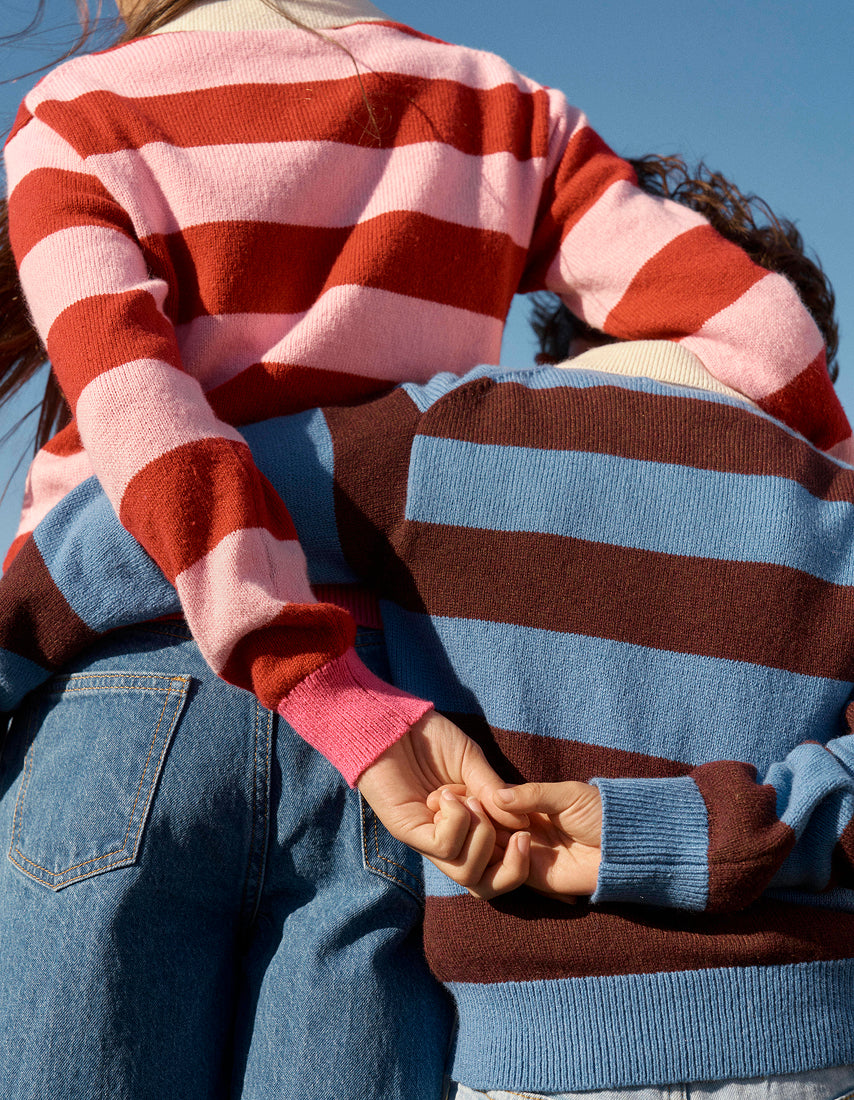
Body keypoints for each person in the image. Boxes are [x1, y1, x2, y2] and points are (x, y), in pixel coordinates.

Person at [0, 0, 849, 1092]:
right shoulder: (503, 113)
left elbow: (152, 442)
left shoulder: (72, 117)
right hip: (397, 733)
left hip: (121, 693)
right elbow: (764, 336)